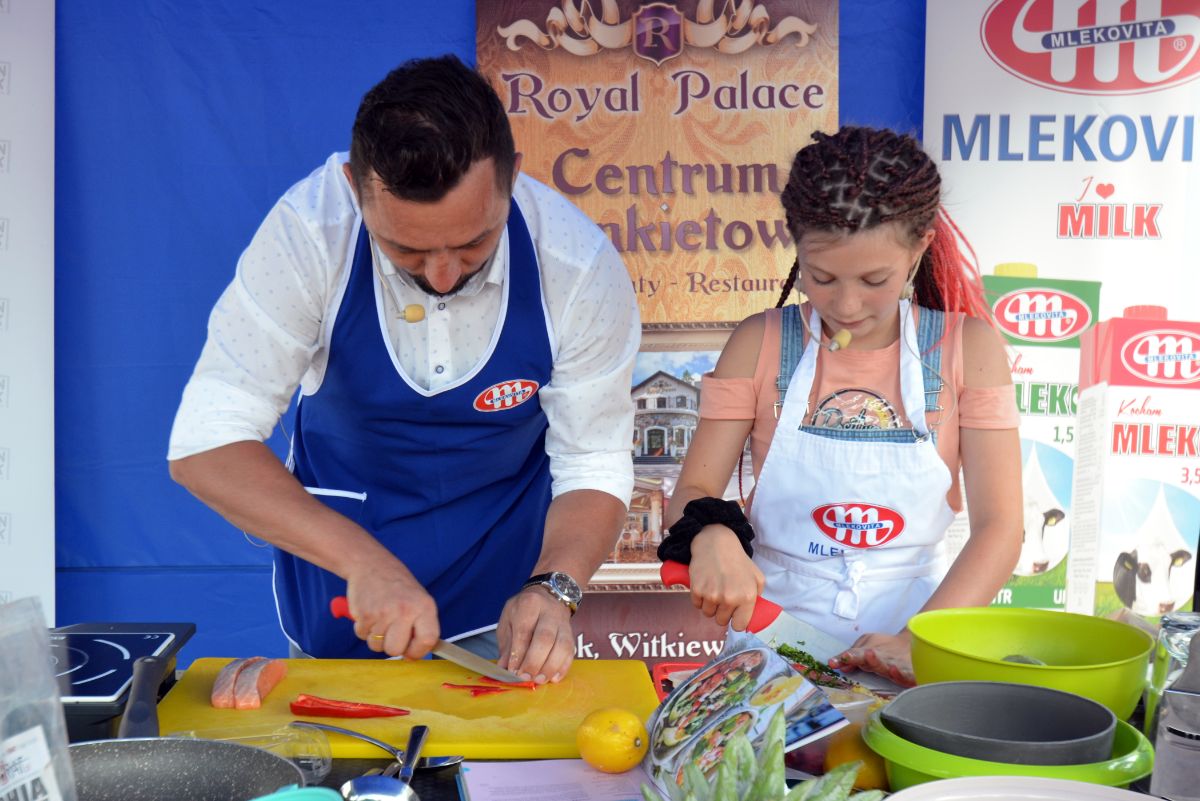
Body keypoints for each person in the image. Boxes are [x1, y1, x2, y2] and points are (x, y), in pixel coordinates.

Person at [168, 55, 639, 683]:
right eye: (406, 249)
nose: (442, 276)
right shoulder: (310, 235)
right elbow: (207, 440)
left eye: (474, 242)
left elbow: (593, 460)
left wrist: (554, 588)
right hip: (342, 601)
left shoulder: (575, 266)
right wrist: (364, 562)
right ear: (354, 187)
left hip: (504, 613)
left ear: (512, 177)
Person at [660, 126, 1022, 685]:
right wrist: (710, 534)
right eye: (821, 277)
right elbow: (693, 492)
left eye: (875, 280)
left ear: (920, 247)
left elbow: (1001, 528)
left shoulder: (965, 350)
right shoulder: (759, 344)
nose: (846, 305)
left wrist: (917, 641)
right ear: (795, 243)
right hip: (772, 642)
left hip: (919, 640)